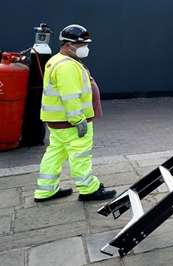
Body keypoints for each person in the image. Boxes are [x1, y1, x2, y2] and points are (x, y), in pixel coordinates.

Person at [34, 24, 117, 202]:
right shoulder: (67, 66)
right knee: (80, 154)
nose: (84, 48)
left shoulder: (57, 60)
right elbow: (70, 97)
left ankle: (45, 190)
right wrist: (78, 120)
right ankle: (89, 189)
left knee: (55, 153)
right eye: (81, 45)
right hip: (72, 123)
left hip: (58, 121)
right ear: (67, 45)